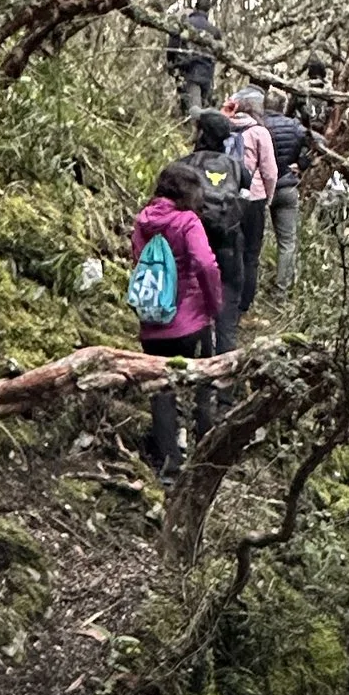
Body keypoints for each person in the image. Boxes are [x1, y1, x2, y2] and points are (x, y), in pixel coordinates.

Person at [127, 164, 224, 479]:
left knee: (161, 389)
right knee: (205, 377)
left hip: (153, 318)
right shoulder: (187, 221)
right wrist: (213, 303)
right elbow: (206, 264)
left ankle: (169, 464)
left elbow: (140, 261)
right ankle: (208, 448)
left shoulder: (143, 220)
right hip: (190, 317)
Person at [179, 110, 249, 351]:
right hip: (229, 245)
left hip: (193, 250)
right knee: (227, 317)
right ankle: (225, 380)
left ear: (200, 133)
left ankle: (198, 370)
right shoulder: (238, 168)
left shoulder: (183, 167)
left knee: (195, 312)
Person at [222, 89, 277, 320]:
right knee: (251, 253)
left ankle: (225, 297)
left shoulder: (223, 126)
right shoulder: (259, 132)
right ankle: (243, 304)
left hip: (225, 195)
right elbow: (270, 171)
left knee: (228, 249)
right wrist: (268, 197)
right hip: (253, 198)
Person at [260, 87, 311, 299]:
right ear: (283, 106)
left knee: (253, 240)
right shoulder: (295, 127)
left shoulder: (258, 125)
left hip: (262, 189)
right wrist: (301, 164)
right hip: (288, 187)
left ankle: (249, 289)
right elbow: (318, 143)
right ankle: (281, 292)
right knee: (287, 242)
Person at [166, 0, 218, 118]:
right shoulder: (214, 31)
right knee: (203, 110)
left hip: (188, 72)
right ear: (208, 11)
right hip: (206, 75)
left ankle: (189, 133)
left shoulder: (184, 25)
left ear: (195, 7)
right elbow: (219, 53)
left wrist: (171, 64)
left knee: (192, 110)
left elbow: (172, 47)